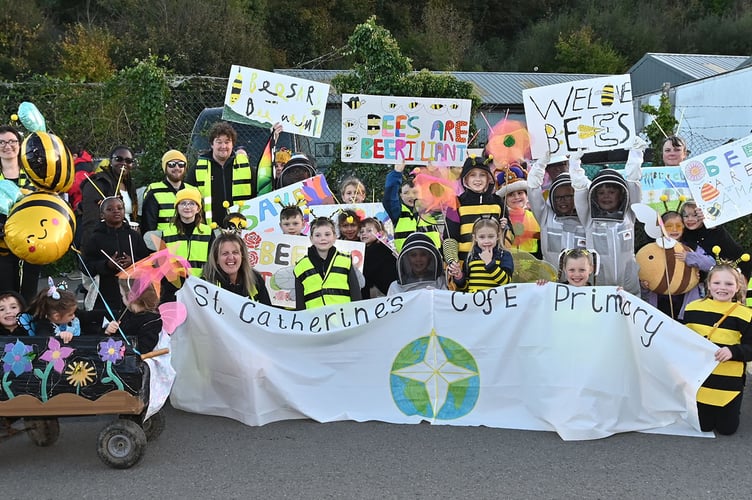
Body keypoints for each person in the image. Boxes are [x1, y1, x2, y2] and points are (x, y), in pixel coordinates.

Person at [682, 262, 752, 435]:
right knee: (703, 426)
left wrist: (733, 351)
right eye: (717, 283)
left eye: (729, 284)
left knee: (726, 429)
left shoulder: (745, 314)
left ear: (737, 287)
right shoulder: (692, 308)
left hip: (729, 382)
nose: (722, 288)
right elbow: (680, 338)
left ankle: (732, 408)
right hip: (701, 381)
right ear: (708, 285)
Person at [572, 139, 646, 294]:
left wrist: (635, 154)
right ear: (594, 196)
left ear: (621, 195)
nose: (606, 197)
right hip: (598, 285)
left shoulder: (629, 215)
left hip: (628, 283)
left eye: (612, 192)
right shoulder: (589, 219)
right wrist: (574, 162)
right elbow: (579, 187)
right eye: (601, 193)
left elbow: (633, 181)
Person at [188, 121, 267, 226]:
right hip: (209, 229)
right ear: (212, 144)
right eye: (219, 142)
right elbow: (188, 197)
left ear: (233, 144)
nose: (223, 146)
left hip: (241, 227)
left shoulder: (245, 166)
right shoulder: (198, 168)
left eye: (227, 142)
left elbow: (261, 191)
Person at [639, 210, 714, 320]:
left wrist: (689, 257)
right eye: (669, 226)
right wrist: (643, 286)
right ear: (661, 227)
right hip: (658, 304)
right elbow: (642, 272)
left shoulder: (691, 247)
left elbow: (711, 264)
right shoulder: (651, 249)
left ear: (683, 227)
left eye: (678, 226)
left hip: (685, 303)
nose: (674, 230)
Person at [82, 196, 150, 315]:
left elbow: (147, 261)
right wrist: (107, 265)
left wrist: (133, 262)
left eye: (120, 208)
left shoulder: (134, 236)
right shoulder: (95, 238)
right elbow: (86, 266)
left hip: (132, 293)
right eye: (110, 209)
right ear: (102, 215)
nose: (116, 211)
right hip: (105, 293)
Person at [0, 125, 40, 302]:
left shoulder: (33, 174)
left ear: (20, 144)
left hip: (31, 240)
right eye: (1, 142)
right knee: (5, 292)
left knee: (29, 292)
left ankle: (27, 326)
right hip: (2, 245)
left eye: (11, 141)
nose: (7, 146)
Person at [528, 153, 587, 268]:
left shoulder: (587, 219)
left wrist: (576, 166)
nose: (563, 201)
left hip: (580, 280)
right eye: (558, 198)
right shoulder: (546, 217)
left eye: (568, 196)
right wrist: (540, 164)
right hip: (552, 280)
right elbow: (533, 188)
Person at [445, 154, 506, 263]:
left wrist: (506, 228)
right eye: (473, 175)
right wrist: (452, 261)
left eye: (482, 175)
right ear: (466, 179)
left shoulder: (498, 201)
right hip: (466, 265)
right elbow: (450, 238)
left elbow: (507, 237)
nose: (478, 179)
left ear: (488, 178)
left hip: (495, 264)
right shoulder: (455, 203)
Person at [294, 217, 361, 309]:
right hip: (315, 319)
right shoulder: (300, 266)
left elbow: (356, 293)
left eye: (327, 234)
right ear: (311, 239)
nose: (323, 238)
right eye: (318, 235)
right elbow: (300, 302)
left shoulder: (345, 260)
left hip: (344, 317)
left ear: (334, 237)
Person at [79, 145, 139, 250]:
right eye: (119, 159)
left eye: (128, 161)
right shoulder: (97, 184)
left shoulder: (129, 185)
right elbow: (90, 221)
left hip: (127, 241)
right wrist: (92, 249)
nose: (124, 163)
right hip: (107, 243)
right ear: (110, 161)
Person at [161, 188, 214, 301]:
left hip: (201, 286)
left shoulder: (208, 232)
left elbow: (213, 261)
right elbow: (163, 263)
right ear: (177, 207)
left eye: (191, 203)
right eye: (183, 203)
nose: (187, 207)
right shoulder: (167, 233)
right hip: (174, 288)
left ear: (198, 208)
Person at [680, 200, 751, 281]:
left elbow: (733, 252)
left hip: (729, 274)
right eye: (686, 216)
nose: (690, 219)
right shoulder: (683, 234)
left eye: (695, 215)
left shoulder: (715, 230)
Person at [383, 160, 440, 252]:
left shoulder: (431, 209)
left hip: (432, 259)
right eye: (406, 193)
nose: (411, 196)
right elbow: (389, 198)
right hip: (407, 260)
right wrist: (396, 173)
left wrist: (434, 173)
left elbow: (441, 193)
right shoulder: (397, 212)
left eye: (415, 192)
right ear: (400, 195)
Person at [202, 232, 271, 305]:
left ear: (242, 256)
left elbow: (268, 311)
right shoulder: (206, 283)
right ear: (216, 259)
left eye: (235, 252)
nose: (231, 257)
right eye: (225, 253)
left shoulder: (255, 279)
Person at [448, 217, 513, 292]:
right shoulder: (471, 257)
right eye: (482, 237)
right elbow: (465, 287)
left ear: (497, 236)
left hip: (496, 302)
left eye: (491, 236)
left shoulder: (504, 255)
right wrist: (459, 277)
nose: (486, 241)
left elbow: (506, 281)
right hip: (476, 302)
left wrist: (489, 263)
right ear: (475, 237)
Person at [140, 149, 193, 234]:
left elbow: (199, 221)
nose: (177, 168)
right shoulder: (154, 191)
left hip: (189, 244)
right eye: (171, 164)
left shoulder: (192, 191)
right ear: (165, 167)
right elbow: (148, 227)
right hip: (163, 244)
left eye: (181, 164)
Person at [103, 278, 162, 353]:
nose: (122, 299)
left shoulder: (152, 321)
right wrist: (108, 331)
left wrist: (117, 345)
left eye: (122, 296)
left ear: (131, 296)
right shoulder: (125, 313)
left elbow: (143, 349)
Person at [497, 165, 541, 258]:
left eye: (520, 193)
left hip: (532, 261)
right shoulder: (501, 219)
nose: (516, 197)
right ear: (504, 199)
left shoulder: (536, 216)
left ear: (526, 195)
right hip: (508, 260)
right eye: (511, 195)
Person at [359, 217, 397, 298]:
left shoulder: (379, 249)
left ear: (380, 233)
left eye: (369, 231)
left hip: (387, 291)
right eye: (361, 232)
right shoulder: (367, 250)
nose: (364, 234)